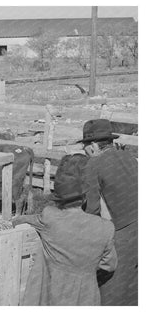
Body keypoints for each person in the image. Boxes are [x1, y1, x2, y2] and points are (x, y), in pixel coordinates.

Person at [12, 154, 117, 306]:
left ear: (58, 198)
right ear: (84, 198)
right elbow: (109, 265)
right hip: (86, 296)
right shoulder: (105, 228)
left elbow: (22, 220)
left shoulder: (49, 216)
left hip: (53, 293)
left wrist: (16, 221)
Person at [78, 119, 138, 306]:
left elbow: (92, 209)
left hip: (125, 233)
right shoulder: (128, 156)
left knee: (112, 290)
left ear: (94, 145)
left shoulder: (93, 164)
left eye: (85, 146)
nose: (85, 151)